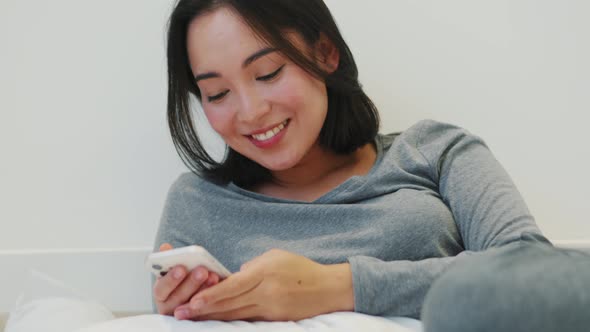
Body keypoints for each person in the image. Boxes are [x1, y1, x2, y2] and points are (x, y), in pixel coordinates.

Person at [150, 0, 589, 329]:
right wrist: (186, 311)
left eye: (267, 73)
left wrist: (334, 286)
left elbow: (535, 273)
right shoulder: (195, 204)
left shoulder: (436, 151)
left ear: (325, 53)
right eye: (217, 93)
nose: (249, 111)